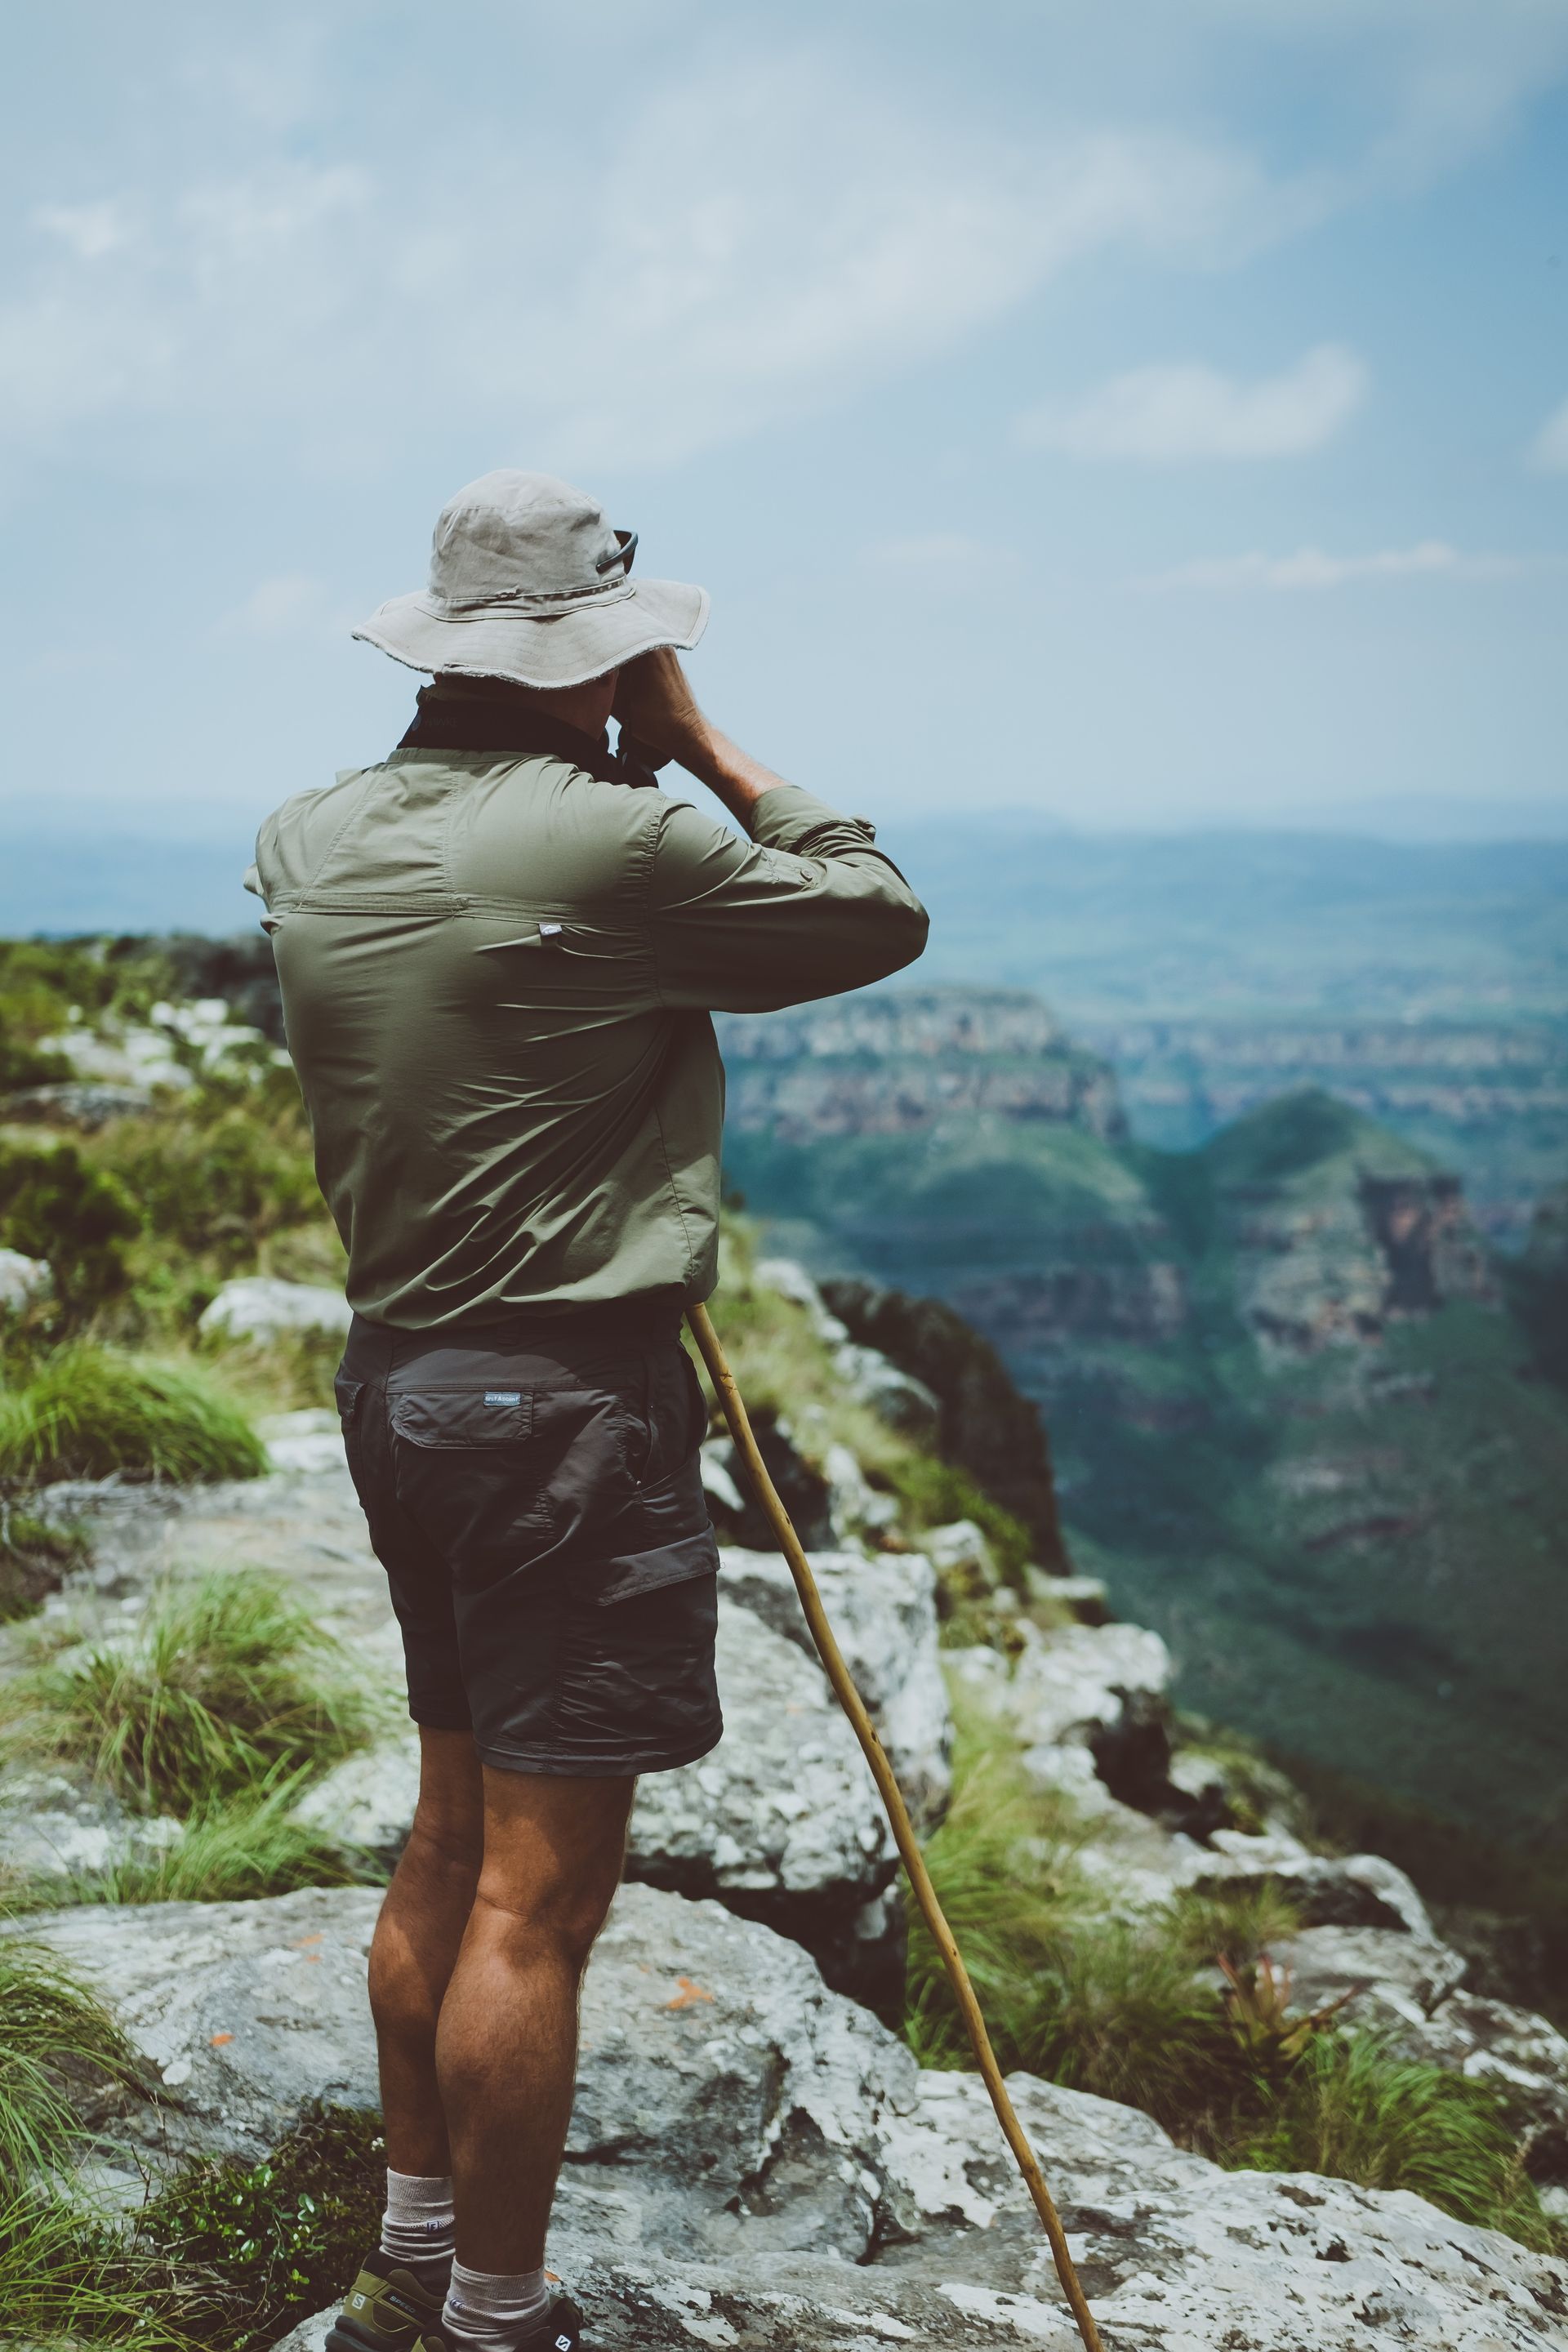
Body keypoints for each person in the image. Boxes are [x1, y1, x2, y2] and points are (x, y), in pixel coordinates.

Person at [246, 470, 929, 2352]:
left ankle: (408, 2256)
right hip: (568, 1410)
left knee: (444, 1834)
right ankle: (498, 2312)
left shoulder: (305, 834)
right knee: (538, 1910)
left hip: (398, 1382)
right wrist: (697, 739)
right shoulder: (615, 842)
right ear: (597, 655)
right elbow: (875, 911)